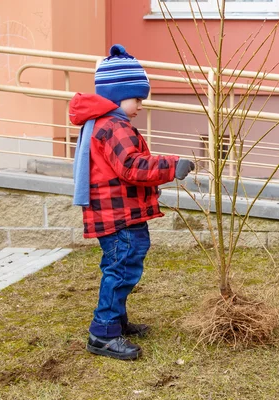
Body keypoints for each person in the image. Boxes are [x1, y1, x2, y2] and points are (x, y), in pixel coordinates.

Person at [70, 44, 195, 360]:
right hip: (117, 216)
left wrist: (149, 191)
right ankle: (103, 334)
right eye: (137, 98)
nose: (141, 104)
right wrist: (171, 166)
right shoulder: (113, 125)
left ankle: (117, 320)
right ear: (116, 95)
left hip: (116, 211)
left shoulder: (106, 122)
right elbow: (132, 166)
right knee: (121, 268)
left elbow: (120, 172)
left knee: (121, 265)